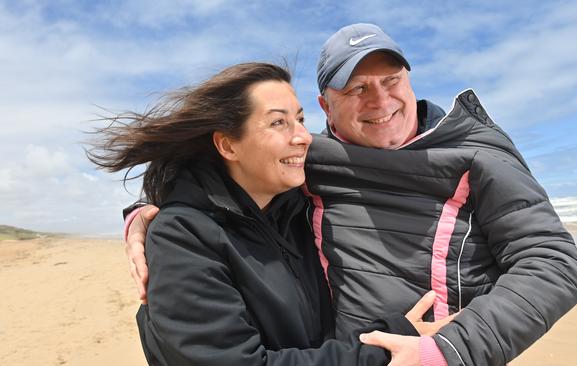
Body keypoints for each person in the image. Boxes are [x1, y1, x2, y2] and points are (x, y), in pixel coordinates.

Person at [125, 24, 577, 366]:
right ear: (327, 106)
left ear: (409, 80)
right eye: (358, 89)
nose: (381, 102)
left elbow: (552, 264)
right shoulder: (309, 162)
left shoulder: (478, 157)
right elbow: (228, 182)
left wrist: (447, 350)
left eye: (391, 81)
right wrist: (150, 215)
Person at [87, 62, 444, 365]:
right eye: (278, 123)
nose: (303, 136)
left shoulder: (299, 206)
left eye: (301, 119)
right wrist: (386, 347)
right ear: (228, 144)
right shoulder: (183, 236)